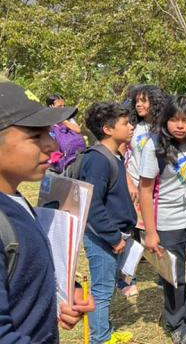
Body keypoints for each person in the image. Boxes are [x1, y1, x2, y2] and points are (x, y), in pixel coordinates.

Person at [0, 82, 95, 341]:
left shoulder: (14, 201)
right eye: (35, 136)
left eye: (49, 134)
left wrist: (63, 292)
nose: (53, 147)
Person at [138, 95, 186, 344]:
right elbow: (145, 190)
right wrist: (150, 232)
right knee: (173, 277)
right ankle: (175, 321)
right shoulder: (154, 147)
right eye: (173, 119)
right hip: (169, 221)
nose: (179, 125)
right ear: (165, 120)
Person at [79, 102, 137, 344]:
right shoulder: (98, 160)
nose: (131, 126)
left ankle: (106, 331)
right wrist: (113, 238)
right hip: (103, 238)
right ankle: (100, 339)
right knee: (101, 292)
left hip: (115, 235)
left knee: (108, 288)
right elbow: (92, 205)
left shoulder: (114, 154)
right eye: (125, 123)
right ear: (108, 129)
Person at [123, 84, 166, 297]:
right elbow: (119, 156)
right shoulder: (131, 127)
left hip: (157, 190)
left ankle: (163, 274)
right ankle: (128, 278)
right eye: (137, 100)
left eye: (144, 100)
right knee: (132, 236)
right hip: (133, 188)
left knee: (158, 233)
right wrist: (130, 184)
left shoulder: (164, 127)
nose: (139, 104)